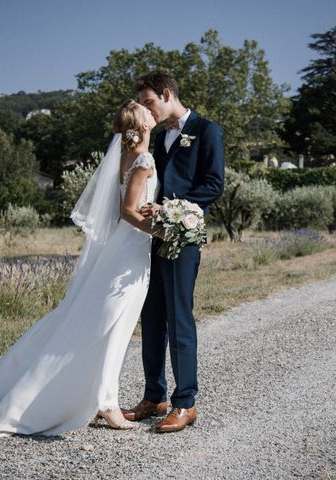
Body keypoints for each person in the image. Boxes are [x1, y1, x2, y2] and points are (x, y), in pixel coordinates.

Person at [0, 100, 161, 448]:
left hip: (125, 250)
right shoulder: (143, 160)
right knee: (111, 329)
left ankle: (98, 398)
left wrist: (158, 214)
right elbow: (128, 211)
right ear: (142, 126)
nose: (151, 111)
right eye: (146, 111)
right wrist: (164, 230)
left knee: (104, 326)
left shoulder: (123, 158)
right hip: (129, 254)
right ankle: (106, 404)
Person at [122, 71, 224, 433]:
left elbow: (213, 185)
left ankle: (186, 403)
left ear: (167, 94)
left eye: (150, 101)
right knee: (151, 319)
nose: (148, 111)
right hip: (150, 238)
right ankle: (155, 396)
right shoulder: (158, 137)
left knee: (179, 318)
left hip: (184, 235)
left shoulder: (207, 130)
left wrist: (171, 209)